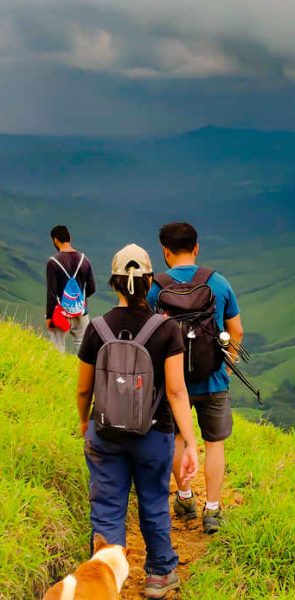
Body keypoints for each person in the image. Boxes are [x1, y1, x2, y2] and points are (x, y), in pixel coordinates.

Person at [76, 244, 199, 599]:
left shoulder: (97, 329)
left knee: (108, 507)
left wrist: (86, 423)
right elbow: (176, 392)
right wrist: (190, 442)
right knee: (154, 502)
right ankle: (160, 575)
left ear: (114, 282)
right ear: (149, 282)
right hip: (154, 434)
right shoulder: (166, 329)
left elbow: (84, 390)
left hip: (105, 431)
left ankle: (103, 582)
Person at [147, 222, 244, 535]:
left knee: (177, 438)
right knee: (214, 444)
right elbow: (237, 330)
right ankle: (212, 510)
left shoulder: (155, 288)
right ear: (197, 247)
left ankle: (185, 498)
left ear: (165, 251)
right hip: (213, 379)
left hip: (173, 384)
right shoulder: (218, 282)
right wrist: (226, 365)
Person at [46, 225, 96, 353]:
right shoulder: (84, 260)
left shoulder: (53, 262)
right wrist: (79, 300)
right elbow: (92, 287)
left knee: (57, 349)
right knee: (83, 351)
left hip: (60, 313)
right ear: (70, 238)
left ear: (55, 240)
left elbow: (51, 293)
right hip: (81, 312)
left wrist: (49, 317)